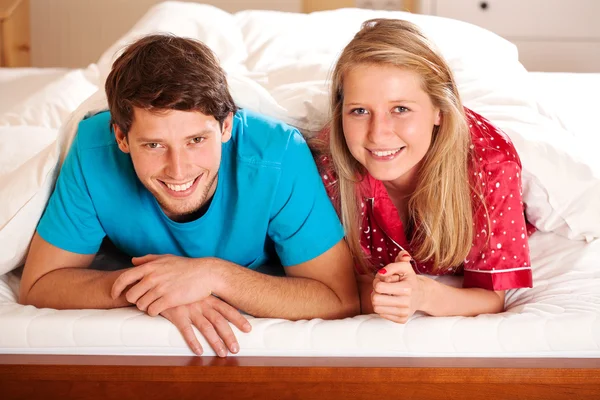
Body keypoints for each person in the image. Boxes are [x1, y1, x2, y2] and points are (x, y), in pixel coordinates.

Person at [19, 34, 359, 357]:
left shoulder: (278, 155)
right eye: (154, 145)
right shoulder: (94, 150)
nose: (178, 170)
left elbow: (338, 298)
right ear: (121, 138)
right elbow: (39, 284)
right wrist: (157, 291)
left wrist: (211, 276)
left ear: (226, 127)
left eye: (196, 140)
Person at [315, 19, 533, 323]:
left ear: (439, 111)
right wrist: (380, 292)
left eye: (401, 109)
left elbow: (490, 297)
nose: (378, 134)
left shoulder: (491, 166)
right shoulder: (326, 165)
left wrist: (423, 294)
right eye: (360, 111)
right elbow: (329, 285)